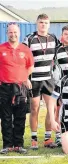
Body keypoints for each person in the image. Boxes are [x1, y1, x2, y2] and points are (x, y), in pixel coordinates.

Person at [23, 13, 61, 149]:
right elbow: (24, 59)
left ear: (49, 24)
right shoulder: (29, 39)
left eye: (45, 23)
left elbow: (60, 55)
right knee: (35, 109)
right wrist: (25, 78)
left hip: (49, 80)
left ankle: (47, 138)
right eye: (41, 22)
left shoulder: (54, 38)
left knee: (52, 109)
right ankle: (34, 138)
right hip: (34, 80)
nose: (43, 25)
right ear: (36, 23)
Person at [0, 23, 33, 154]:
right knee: (6, 117)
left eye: (15, 32)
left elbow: (30, 66)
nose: (13, 35)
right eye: (10, 32)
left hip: (21, 88)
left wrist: (25, 78)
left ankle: (18, 144)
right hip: (4, 87)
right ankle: (7, 145)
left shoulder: (25, 49)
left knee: (20, 117)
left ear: (19, 33)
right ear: (7, 33)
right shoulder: (1, 48)